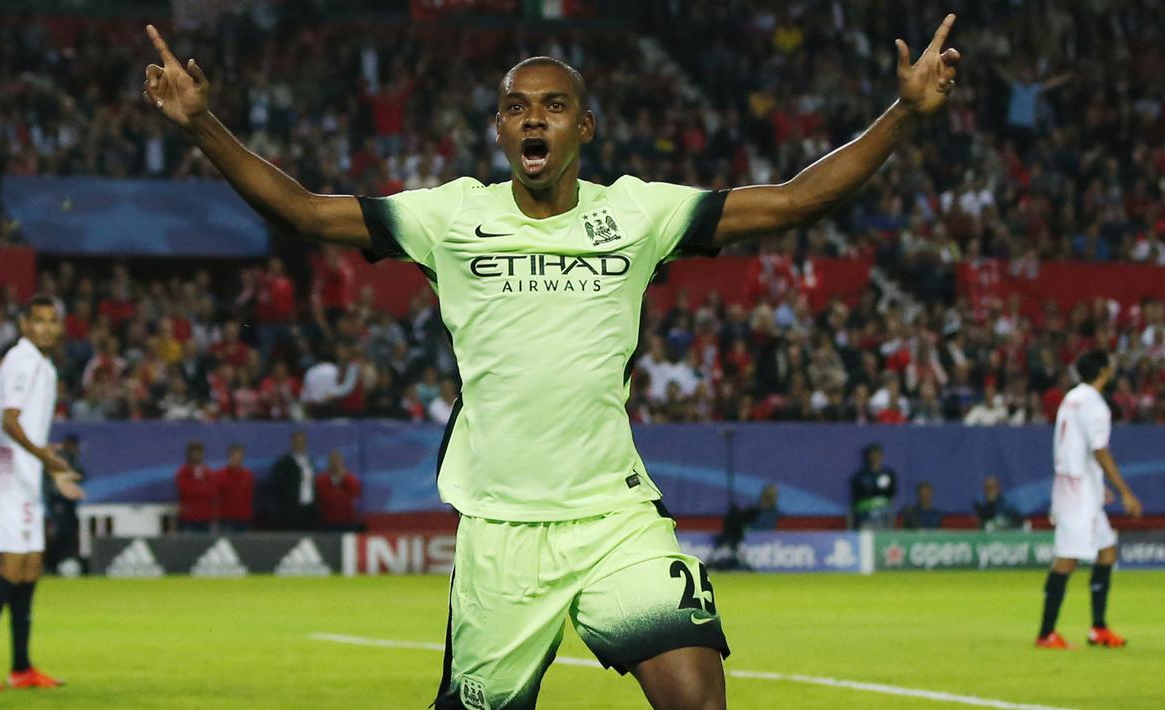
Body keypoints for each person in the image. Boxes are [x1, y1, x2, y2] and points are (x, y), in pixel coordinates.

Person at [143, 15, 961, 706]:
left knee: (696, 692)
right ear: (500, 130)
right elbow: (306, 213)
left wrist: (903, 114)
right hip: (501, 530)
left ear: (584, 127)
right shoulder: (450, 217)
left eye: (553, 105)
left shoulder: (638, 213)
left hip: (613, 518)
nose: (533, 119)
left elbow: (792, 199)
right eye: (516, 108)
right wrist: (203, 127)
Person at [0, 296, 85, 691]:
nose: (44, 327)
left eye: (51, 321)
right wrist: (46, 459)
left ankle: (21, 668)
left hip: (21, 473)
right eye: (37, 320)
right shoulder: (21, 362)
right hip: (5, 470)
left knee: (30, 568)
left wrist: (50, 470)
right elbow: (9, 422)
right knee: (12, 567)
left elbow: (27, 427)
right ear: (24, 324)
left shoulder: (41, 364)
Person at [1036, 350, 1142, 650]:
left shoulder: (1071, 397)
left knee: (1107, 551)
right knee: (1067, 560)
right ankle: (1046, 633)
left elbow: (1076, 446)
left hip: (1078, 484)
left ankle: (1098, 628)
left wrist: (1098, 484)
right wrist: (1124, 491)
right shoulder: (1095, 405)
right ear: (1105, 371)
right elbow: (1099, 449)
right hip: (1077, 493)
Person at [44, 433, 86, 575]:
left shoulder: (73, 456)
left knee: (70, 530)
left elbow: (81, 475)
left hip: (69, 502)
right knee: (58, 532)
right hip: (57, 501)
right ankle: (52, 563)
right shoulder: (59, 457)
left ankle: (66, 559)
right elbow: (52, 480)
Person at [270, 431, 316, 530]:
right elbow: (276, 485)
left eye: (302, 441)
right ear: (292, 443)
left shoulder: (309, 461)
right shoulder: (284, 462)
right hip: (291, 509)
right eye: (297, 441)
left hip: (309, 508)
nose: (300, 444)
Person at [850, 444, 897, 530]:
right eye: (871, 456)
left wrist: (872, 489)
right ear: (868, 457)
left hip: (884, 513)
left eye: (876, 455)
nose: (874, 458)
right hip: (865, 514)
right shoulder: (860, 476)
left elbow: (891, 492)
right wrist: (878, 490)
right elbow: (859, 494)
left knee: (885, 538)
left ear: (881, 456)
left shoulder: (888, 474)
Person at [315, 450, 364, 532]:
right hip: (328, 522)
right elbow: (324, 496)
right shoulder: (322, 479)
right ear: (329, 462)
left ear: (342, 462)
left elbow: (356, 491)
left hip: (347, 521)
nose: (336, 463)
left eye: (338, 460)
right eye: (333, 460)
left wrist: (345, 477)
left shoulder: (349, 477)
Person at [175, 441, 216, 532]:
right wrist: (202, 487)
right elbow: (185, 491)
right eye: (194, 453)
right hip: (188, 517)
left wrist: (197, 488)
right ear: (189, 454)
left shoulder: (207, 472)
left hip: (205, 517)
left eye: (199, 453)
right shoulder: (183, 472)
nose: (197, 455)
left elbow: (212, 491)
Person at [216, 443, 255, 532]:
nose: (238, 459)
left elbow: (250, 498)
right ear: (229, 457)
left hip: (244, 519)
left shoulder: (248, 475)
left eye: (240, 456)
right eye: (235, 456)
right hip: (226, 519)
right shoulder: (220, 475)